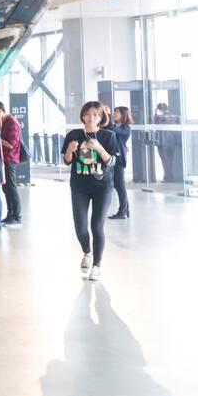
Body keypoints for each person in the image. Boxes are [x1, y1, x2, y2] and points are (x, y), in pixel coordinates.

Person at [62, 101, 121, 281]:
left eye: (96, 114)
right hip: (79, 186)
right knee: (80, 227)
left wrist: (99, 148)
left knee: (97, 226)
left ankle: (97, 265)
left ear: (101, 117)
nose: (91, 117)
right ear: (82, 116)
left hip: (102, 187)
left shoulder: (108, 136)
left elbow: (112, 162)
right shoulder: (73, 135)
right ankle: (87, 252)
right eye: (88, 114)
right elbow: (67, 160)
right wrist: (70, 151)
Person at [0, 100, 22, 226]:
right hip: (2, 159)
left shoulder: (12, 122)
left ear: (0, 110)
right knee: (5, 187)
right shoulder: (2, 123)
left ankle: (17, 216)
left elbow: (12, 144)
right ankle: (10, 214)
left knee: (11, 187)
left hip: (10, 159)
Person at [106, 106, 133, 219]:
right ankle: (125, 211)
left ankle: (123, 212)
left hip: (119, 159)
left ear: (123, 115)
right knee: (118, 185)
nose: (113, 114)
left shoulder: (126, 128)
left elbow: (112, 129)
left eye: (116, 112)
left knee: (120, 186)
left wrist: (106, 114)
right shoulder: (117, 126)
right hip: (114, 158)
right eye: (113, 112)